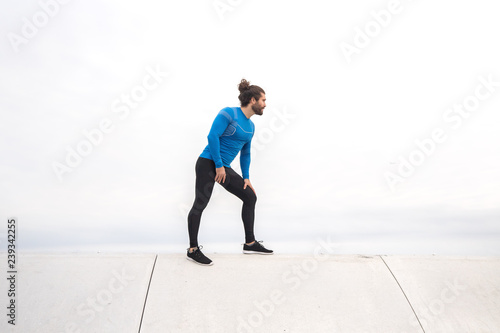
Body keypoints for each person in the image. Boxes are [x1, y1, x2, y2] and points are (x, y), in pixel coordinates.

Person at [186, 79, 273, 266]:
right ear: (252, 100)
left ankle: (250, 243)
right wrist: (218, 165)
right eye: (263, 100)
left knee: (250, 197)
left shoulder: (251, 126)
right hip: (208, 162)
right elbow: (212, 136)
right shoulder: (229, 113)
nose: (265, 104)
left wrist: (246, 178)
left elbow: (246, 153)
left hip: (223, 167)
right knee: (200, 203)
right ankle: (193, 249)